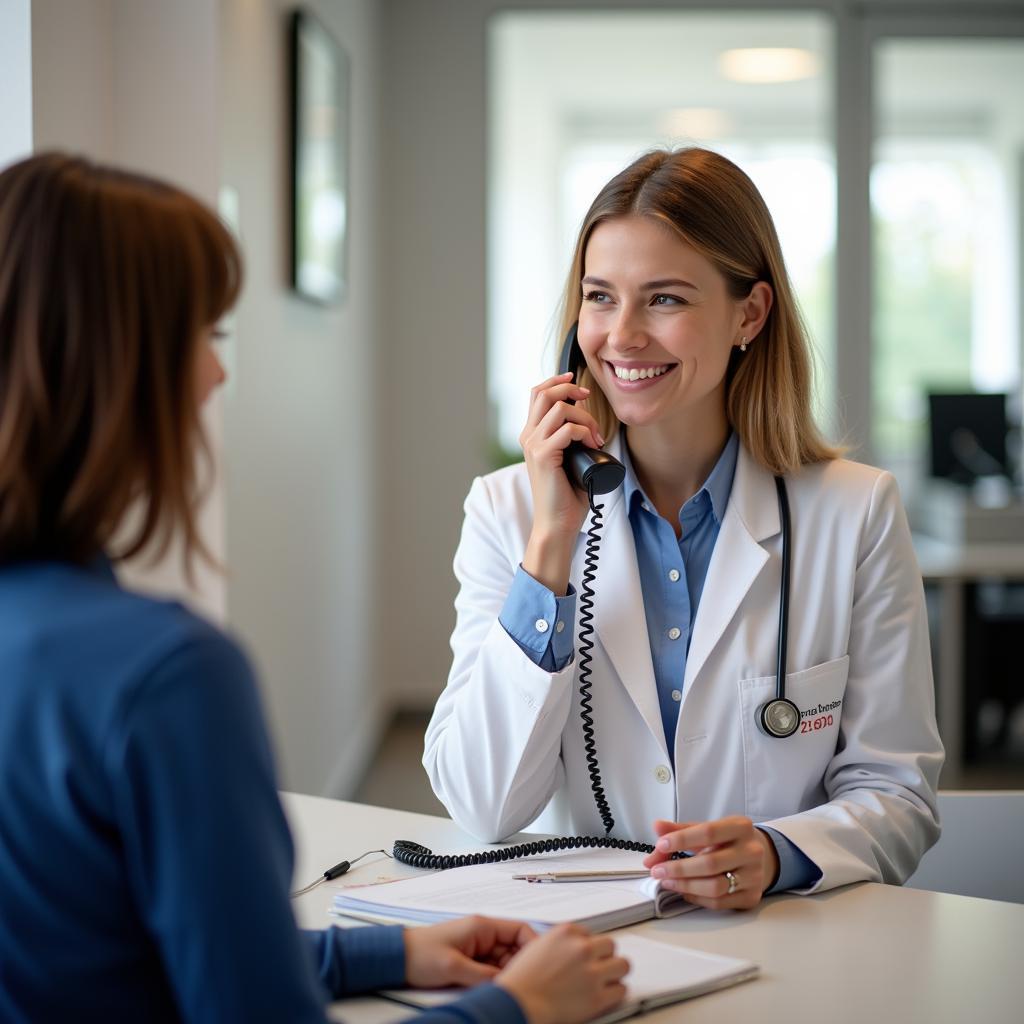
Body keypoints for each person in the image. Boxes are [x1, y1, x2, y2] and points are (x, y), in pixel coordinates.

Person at [0, 153, 629, 1024]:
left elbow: (102, 950)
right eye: (203, 337)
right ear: (116, 365)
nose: (218, 376)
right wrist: (518, 1008)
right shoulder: (166, 676)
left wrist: (389, 949)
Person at [424, 147, 944, 909]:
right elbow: (481, 805)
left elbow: (898, 795)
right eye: (600, 298)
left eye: (664, 300)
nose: (622, 336)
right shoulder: (509, 514)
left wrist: (776, 853)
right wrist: (549, 553)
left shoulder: (855, 513)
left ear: (750, 314)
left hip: (789, 947)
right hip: (595, 945)